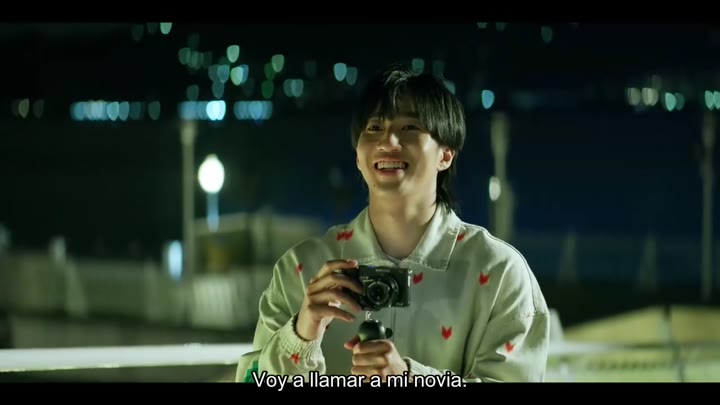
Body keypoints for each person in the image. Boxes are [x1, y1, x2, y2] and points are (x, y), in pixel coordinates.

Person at [242, 63, 550, 383]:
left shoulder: (498, 272)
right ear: (358, 156)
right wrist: (301, 335)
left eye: (410, 127)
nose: (388, 141)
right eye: (374, 127)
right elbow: (249, 378)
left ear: (446, 155)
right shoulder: (301, 270)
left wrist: (408, 377)